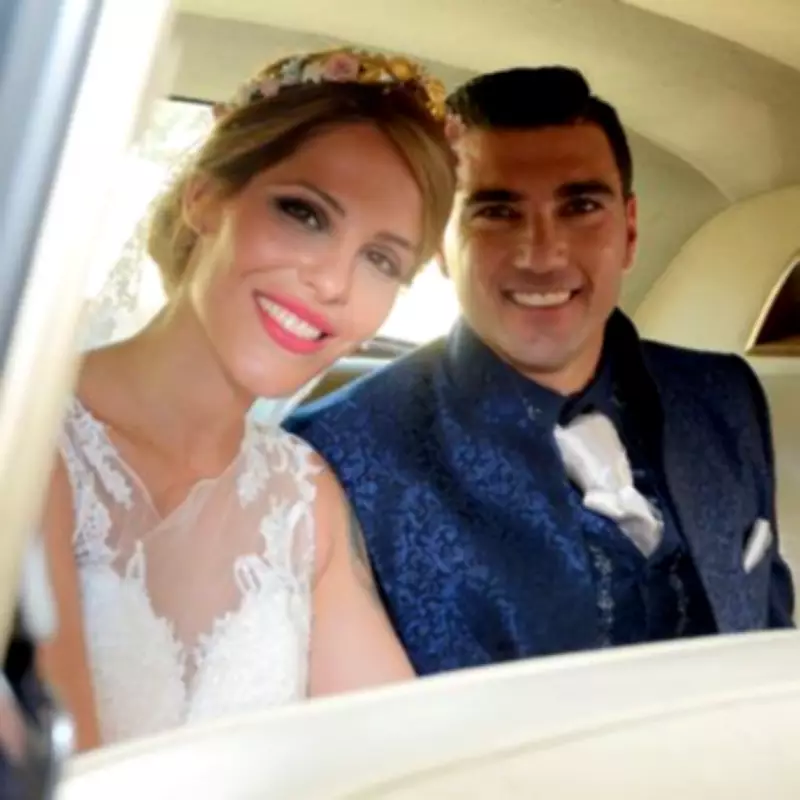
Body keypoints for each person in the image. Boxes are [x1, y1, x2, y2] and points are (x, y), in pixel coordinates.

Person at [287, 66, 794, 677]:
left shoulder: (724, 395)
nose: (542, 254)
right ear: (441, 244)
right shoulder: (332, 454)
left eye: (580, 206)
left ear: (630, 230)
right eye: (497, 212)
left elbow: (774, 642)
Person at [37, 47, 455, 750]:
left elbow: (404, 756)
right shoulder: (27, 441)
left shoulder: (304, 498)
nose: (333, 283)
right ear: (205, 199)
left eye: (381, 259)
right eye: (304, 213)